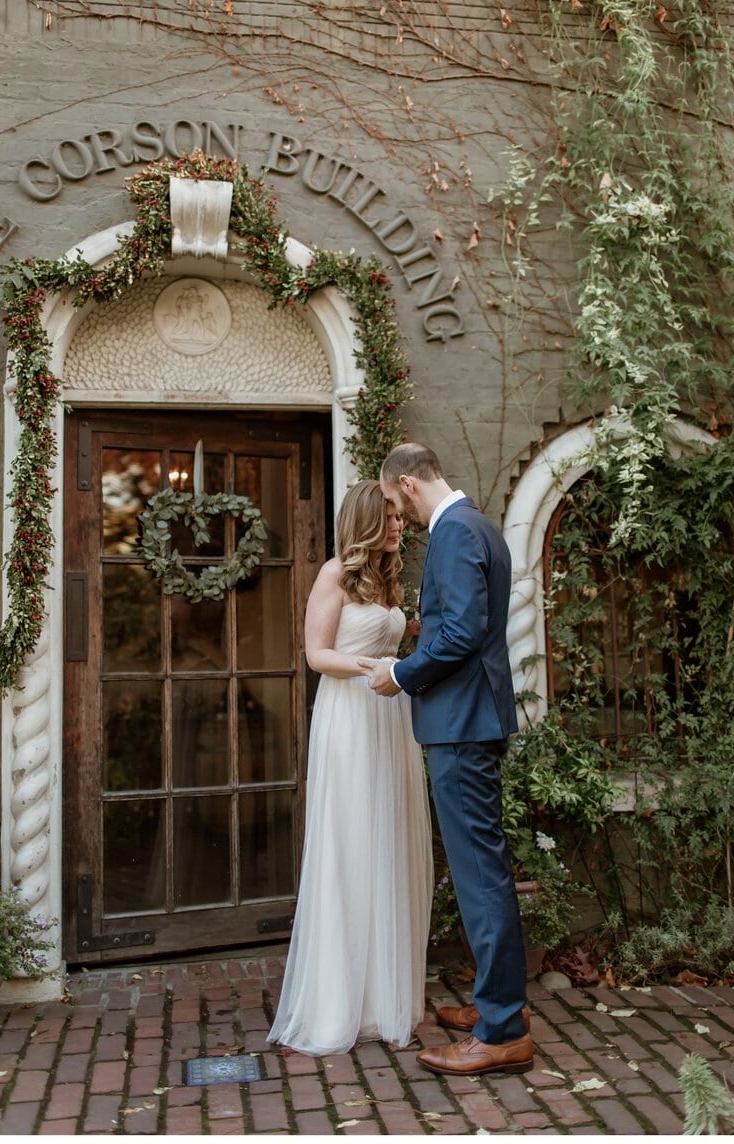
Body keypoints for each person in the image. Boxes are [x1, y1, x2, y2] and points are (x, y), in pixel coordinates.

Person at [359, 442, 533, 1077]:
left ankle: (504, 1028)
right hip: (469, 719)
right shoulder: (480, 524)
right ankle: (497, 1008)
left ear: (407, 484)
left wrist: (401, 674)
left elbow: (460, 632)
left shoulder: (455, 532)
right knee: (480, 869)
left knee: (480, 874)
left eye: (392, 499)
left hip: (460, 723)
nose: (394, 512)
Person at [267, 479, 433, 1055]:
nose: (399, 525)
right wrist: (373, 665)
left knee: (390, 846)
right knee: (352, 845)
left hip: (392, 720)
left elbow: (395, 636)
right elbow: (317, 654)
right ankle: (342, 1002)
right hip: (351, 719)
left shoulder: (388, 580)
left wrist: (411, 646)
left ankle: (386, 997)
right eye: (389, 518)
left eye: (400, 517)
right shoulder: (334, 573)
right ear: (365, 521)